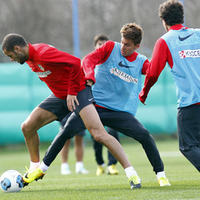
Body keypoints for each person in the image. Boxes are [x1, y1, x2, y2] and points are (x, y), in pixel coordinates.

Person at [21, 22, 171, 188]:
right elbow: (88, 60)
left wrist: (162, 61)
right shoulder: (109, 48)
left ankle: (161, 175)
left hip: (119, 112)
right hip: (93, 105)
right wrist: (90, 75)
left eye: (127, 45)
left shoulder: (141, 62)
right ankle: (41, 168)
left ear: (137, 46)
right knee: (66, 132)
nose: (123, 47)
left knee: (144, 135)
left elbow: (153, 72)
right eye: (122, 42)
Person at [2, 33, 142, 189]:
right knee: (27, 127)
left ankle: (132, 174)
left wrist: (72, 92)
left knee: (99, 134)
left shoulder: (43, 53)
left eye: (10, 55)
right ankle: (35, 168)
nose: (11, 59)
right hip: (59, 97)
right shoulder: (28, 59)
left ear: (17, 48)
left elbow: (76, 62)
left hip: (79, 92)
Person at [139, 0, 200, 173]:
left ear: (164, 21)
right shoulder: (198, 34)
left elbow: (152, 73)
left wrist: (144, 93)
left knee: (188, 146)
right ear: (182, 17)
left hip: (190, 103)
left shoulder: (165, 41)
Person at [93, 34, 120, 176]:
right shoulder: (91, 63)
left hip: (110, 106)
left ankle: (112, 165)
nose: (102, 47)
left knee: (113, 133)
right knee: (96, 137)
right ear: (95, 47)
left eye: (105, 44)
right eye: (99, 44)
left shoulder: (113, 64)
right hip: (94, 107)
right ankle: (100, 164)